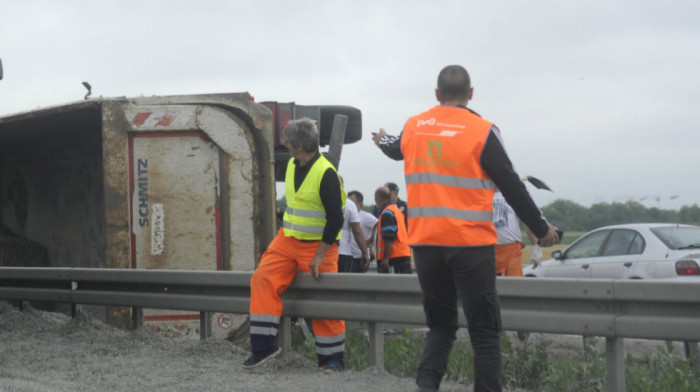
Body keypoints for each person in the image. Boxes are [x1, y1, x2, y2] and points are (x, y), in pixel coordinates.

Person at [373, 65, 559, 392]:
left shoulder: (415, 127)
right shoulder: (483, 130)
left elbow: (393, 146)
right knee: (484, 333)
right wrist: (542, 229)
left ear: (436, 94)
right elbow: (513, 187)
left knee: (441, 327)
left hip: (426, 246)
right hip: (470, 246)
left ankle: (426, 385)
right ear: (470, 94)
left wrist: (380, 138)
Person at [245, 118, 346, 372]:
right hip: (288, 241)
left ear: (299, 145)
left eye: (288, 142)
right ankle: (264, 347)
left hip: (318, 247)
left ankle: (332, 361)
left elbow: (336, 219)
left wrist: (320, 256)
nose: (285, 145)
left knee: (323, 302)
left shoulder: (327, 174)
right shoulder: (292, 163)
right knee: (262, 279)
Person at [493, 191, 540, 277]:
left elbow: (526, 220)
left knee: (514, 285)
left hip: (512, 250)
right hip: (488, 251)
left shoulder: (512, 194)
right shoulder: (482, 193)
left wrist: (535, 247)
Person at [374, 186, 412, 274]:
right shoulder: (396, 210)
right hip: (403, 255)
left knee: (392, 286)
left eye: (375, 198)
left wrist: (386, 259)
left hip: (393, 258)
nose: (375, 200)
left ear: (379, 198)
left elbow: (389, 237)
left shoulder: (387, 213)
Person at [338, 186, 370, 273]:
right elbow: (357, 231)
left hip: (321, 250)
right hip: (343, 251)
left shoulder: (319, 201)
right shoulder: (349, 204)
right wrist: (365, 253)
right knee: (341, 283)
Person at [347, 190, 378, 272]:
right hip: (348, 255)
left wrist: (370, 241)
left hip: (359, 257)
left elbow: (378, 224)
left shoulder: (366, 216)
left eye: (352, 201)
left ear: (359, 203)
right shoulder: (347, 214)